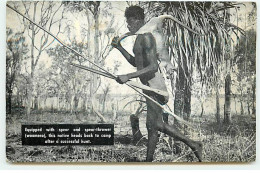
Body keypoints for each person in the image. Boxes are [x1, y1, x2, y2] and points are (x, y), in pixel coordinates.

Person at [111, 5, 202, 162]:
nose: (128, 26)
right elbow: (136, 62)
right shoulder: (139, 39)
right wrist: (119, 48)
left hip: (155, 88)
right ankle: (149, 161)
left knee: (156, 125)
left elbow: (153, 67)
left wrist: (128, 76)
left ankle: (194, 144)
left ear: (139, 21)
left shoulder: (146, 37)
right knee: (152, 126)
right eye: (127, 22)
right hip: (148, 88)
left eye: (131, 22)